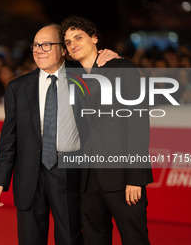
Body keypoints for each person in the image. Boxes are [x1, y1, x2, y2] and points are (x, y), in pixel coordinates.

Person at [0, 24, 119, 245]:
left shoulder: (85, 78)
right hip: (29, 175)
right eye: (35, 45)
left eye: (46, 45)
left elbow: (115, 85)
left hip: (69, 172)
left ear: (64, 50)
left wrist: (114, 58)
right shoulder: (18, 87)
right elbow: (9, 137)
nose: (39, 50)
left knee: (69, 237)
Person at [60, 16, 153, 245]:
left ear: (94, 38)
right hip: (89, 177)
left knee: (134, 238)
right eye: (68, 42)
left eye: (78, 37)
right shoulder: (74, 76)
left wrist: (135, 177)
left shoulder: (122, 68)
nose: (73, 44)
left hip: (122, 176)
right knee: (94, 238)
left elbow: (138, 125)